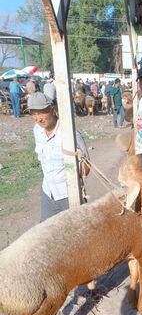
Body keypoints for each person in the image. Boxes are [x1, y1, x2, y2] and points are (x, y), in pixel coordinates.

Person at [27, 92, 90, 222]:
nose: (38, 118)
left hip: (69, 194)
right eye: (33, 113)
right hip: (48, 193)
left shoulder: (69, 132)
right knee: (46, 233)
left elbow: (87, 165)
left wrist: (77, 172)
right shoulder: (37, 130)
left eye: (41, 112)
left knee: (76, 233)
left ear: (52, 109)